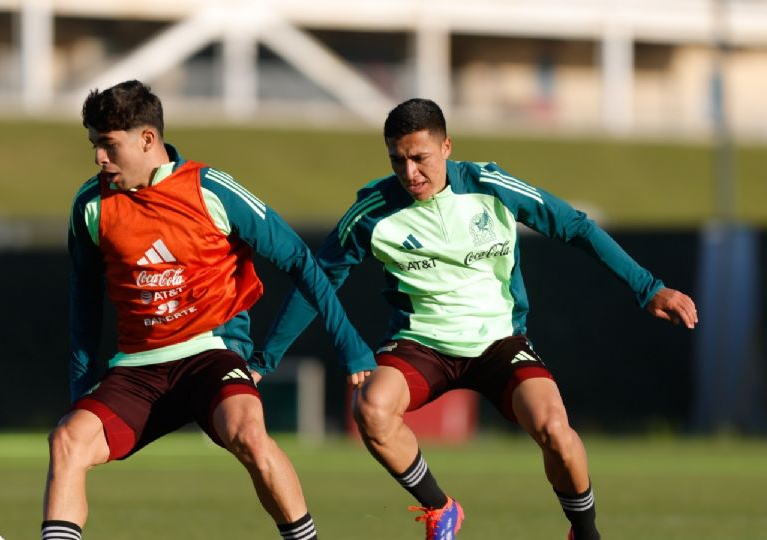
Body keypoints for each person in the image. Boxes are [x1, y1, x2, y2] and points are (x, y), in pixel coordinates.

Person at [250, 98, 698, 540]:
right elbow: (316, 279)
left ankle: (584, 532)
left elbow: (575, 226)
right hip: (420, 344)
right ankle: (439, 508)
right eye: (398, 161)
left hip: (500, 343)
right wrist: (264, 360)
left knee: (556, 432)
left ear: (447, 147)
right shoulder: (372, 212)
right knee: (371, 409)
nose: (410, 173)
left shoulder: (490, 185)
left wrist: (647, 287)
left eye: (420, 158)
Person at [41, 80, 375, 540]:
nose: (99, 157)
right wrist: (82, 387)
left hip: (211, 355)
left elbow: (300, 260)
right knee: (67, 440)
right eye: (95, 145)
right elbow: (84, 302)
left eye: (108, 145)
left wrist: (352, 347)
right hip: (138, 370)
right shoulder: (90, 206)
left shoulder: (211, 189)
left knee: (248, 433)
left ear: (147, 139)